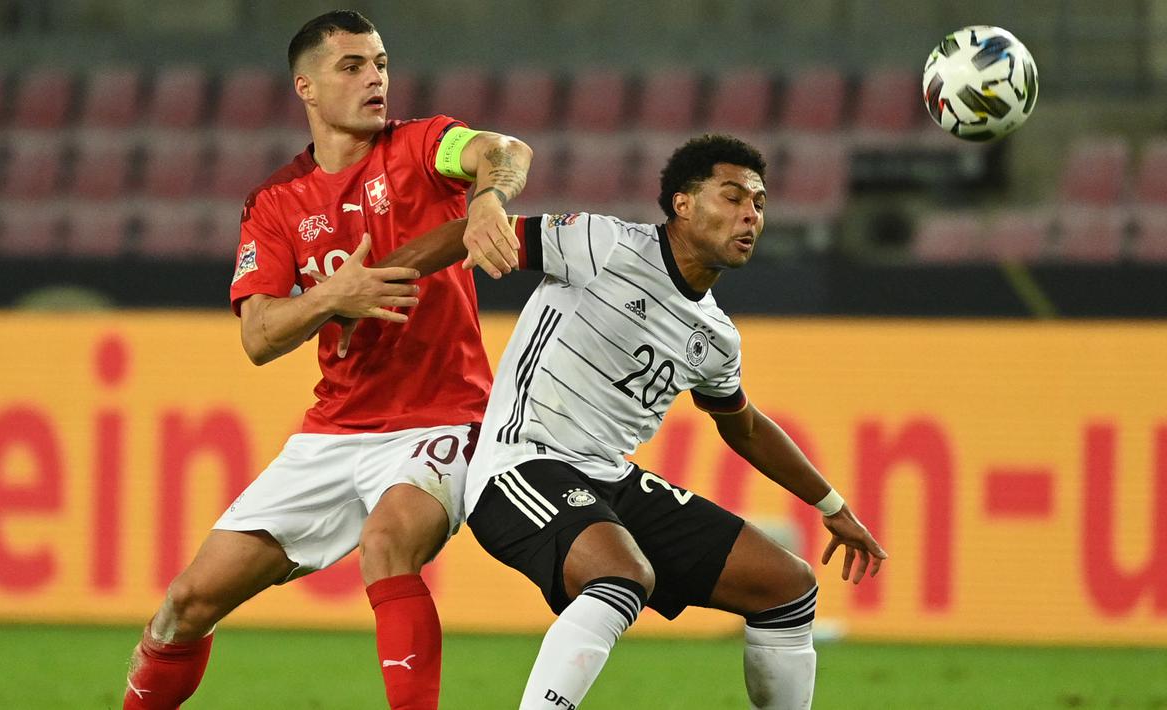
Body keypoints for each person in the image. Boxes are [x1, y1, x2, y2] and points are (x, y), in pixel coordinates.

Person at [122, 10, 530, 710]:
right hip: (333, 432)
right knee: (186, 604)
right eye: (352, 66)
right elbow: (258, 337)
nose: (374, 78)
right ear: (306, 87)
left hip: (442, 417)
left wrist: (489, 197)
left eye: (380, 64)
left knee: (387, 542)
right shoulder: (277, 204)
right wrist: (330, 297)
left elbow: (505, 148)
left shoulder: (421, 147)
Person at [460, 134, 888, 709]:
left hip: (607, 477)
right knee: (622, 576)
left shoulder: (714, 337)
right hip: (520, 461)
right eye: (733, 197)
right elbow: (480, 236)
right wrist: (362, 290)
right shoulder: (602, 244)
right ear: (682, 204)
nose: (750, 215)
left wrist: (834, 508)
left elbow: (747, 428)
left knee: (787, 588)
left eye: (759, 204)